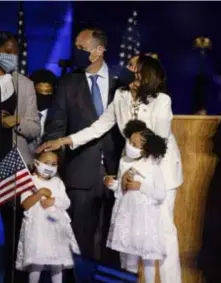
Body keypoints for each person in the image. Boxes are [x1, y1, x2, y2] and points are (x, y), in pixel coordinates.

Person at [37, 54, 183, 283]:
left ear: (145, 73)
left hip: (159, 172)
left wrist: (140, 178)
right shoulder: (121, 96)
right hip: (130, 171)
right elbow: (98, 127)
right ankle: (128, 278)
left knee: (163, 231)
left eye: (133, 65)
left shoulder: (161, 100)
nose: (128, 68)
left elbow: (159, 141)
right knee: (129, 231)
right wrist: (64, 141)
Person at [41, 27, 123, 265]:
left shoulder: (123, 81)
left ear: (99, 50)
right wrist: (50, 167)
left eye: (81, 48)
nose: (76, 52)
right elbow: (56, 128)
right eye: (75, 47)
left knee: (114, 241)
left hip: (118, 171)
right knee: (80, 240)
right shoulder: (67, 83)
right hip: (80, 171)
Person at [0, 31, 40, 283]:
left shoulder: (24, 84)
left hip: (13, 164)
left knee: (16, 230)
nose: (12, 56)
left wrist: (17, 122)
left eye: (15, 52)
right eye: (7, 51)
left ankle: (15, 278)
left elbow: (35, 127)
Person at [105, 120, 167, 283]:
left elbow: (160, 194)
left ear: (146, 149)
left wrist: (141, 186)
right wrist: (115, 184)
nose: (130, 146)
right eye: (129, 142)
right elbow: (120, 188)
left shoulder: (153, 166)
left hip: (145, 220)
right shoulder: (124, 161)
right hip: (127, 218)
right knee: (128, 259)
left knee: (148, 259)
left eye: (135, 144)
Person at [15, 150, 80, 283]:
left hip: (55, 228)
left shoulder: (58, 182)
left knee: (57, 262)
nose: (49, 167)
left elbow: (66, 202)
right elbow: (25, 204)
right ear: (36, 163)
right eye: (46, 163)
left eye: (53, 164)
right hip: (37, 229)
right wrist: (39, 194)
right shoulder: (29, 181)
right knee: (36, 262)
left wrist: (54, 201)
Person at [28, 69, 57, 154]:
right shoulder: (21, 112)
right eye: (39, 92)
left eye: (48, 92)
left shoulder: (58, 116)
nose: (43, 96)